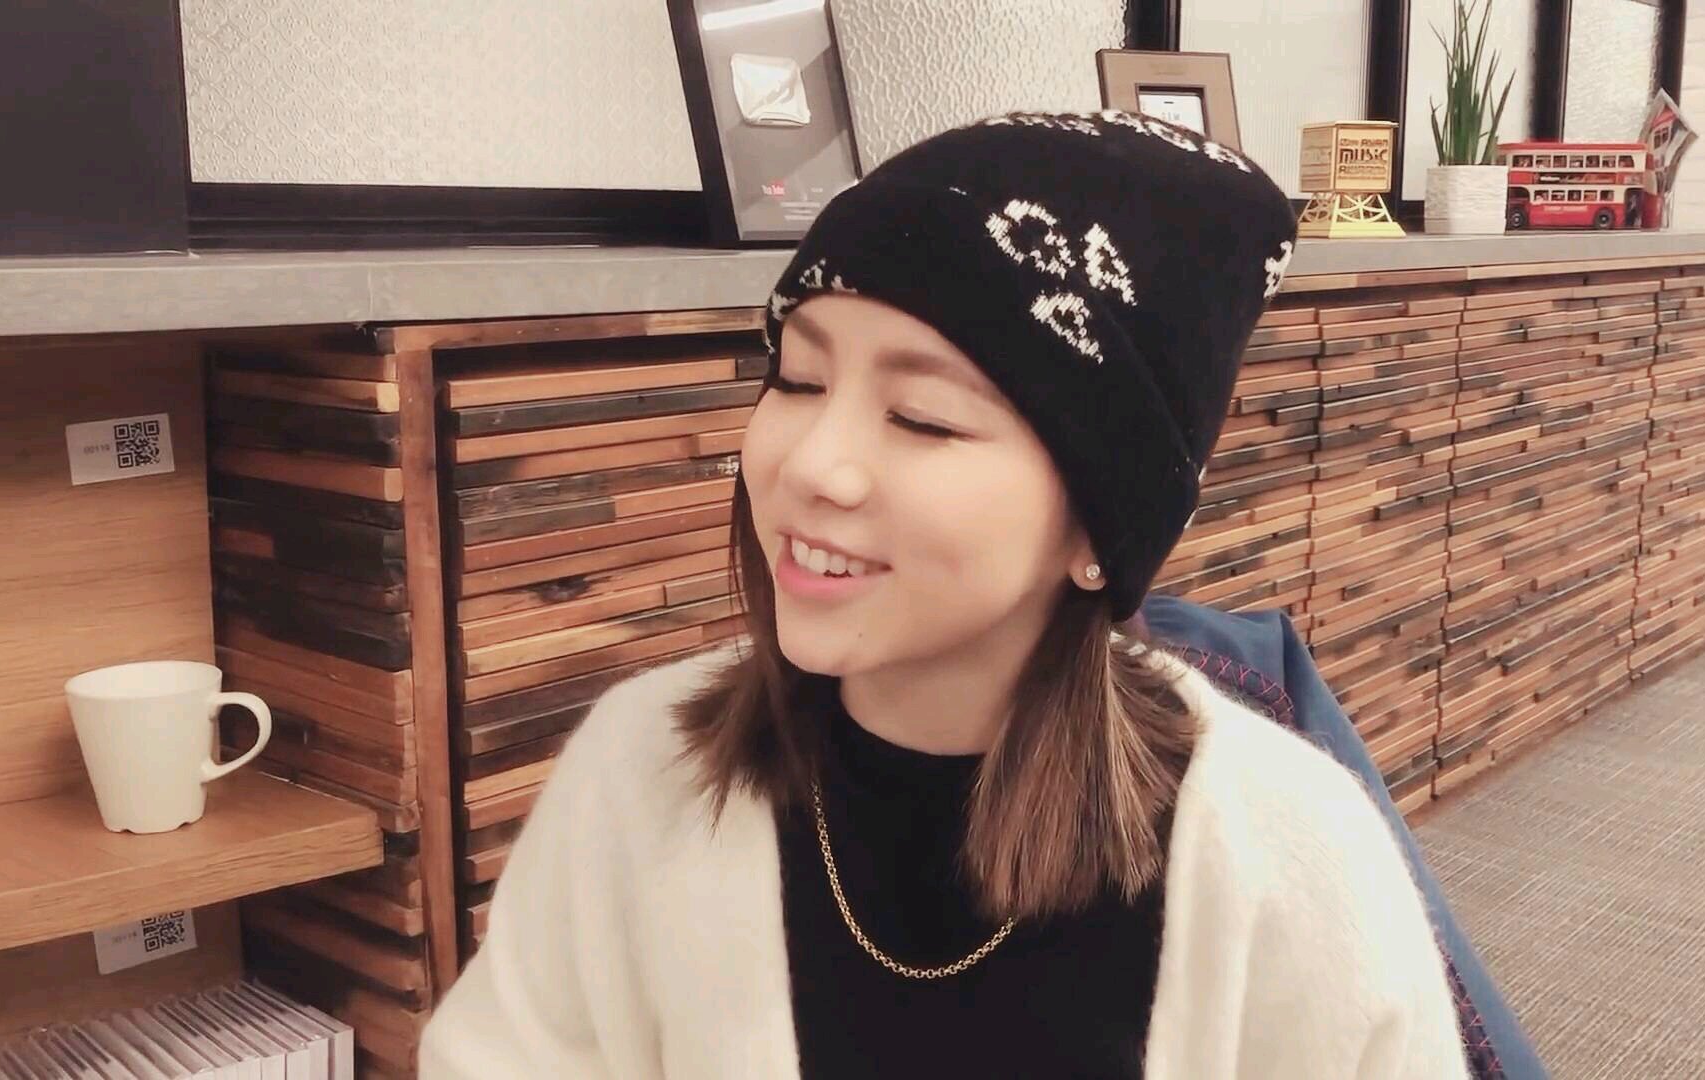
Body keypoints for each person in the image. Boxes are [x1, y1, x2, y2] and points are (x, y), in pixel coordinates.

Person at [420, 110, 1471, 1079]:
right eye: (797, 380)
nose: (812, 465)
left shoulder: (1290, 856)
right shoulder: (637, 775)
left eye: (922, 417)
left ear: (1098, 529)